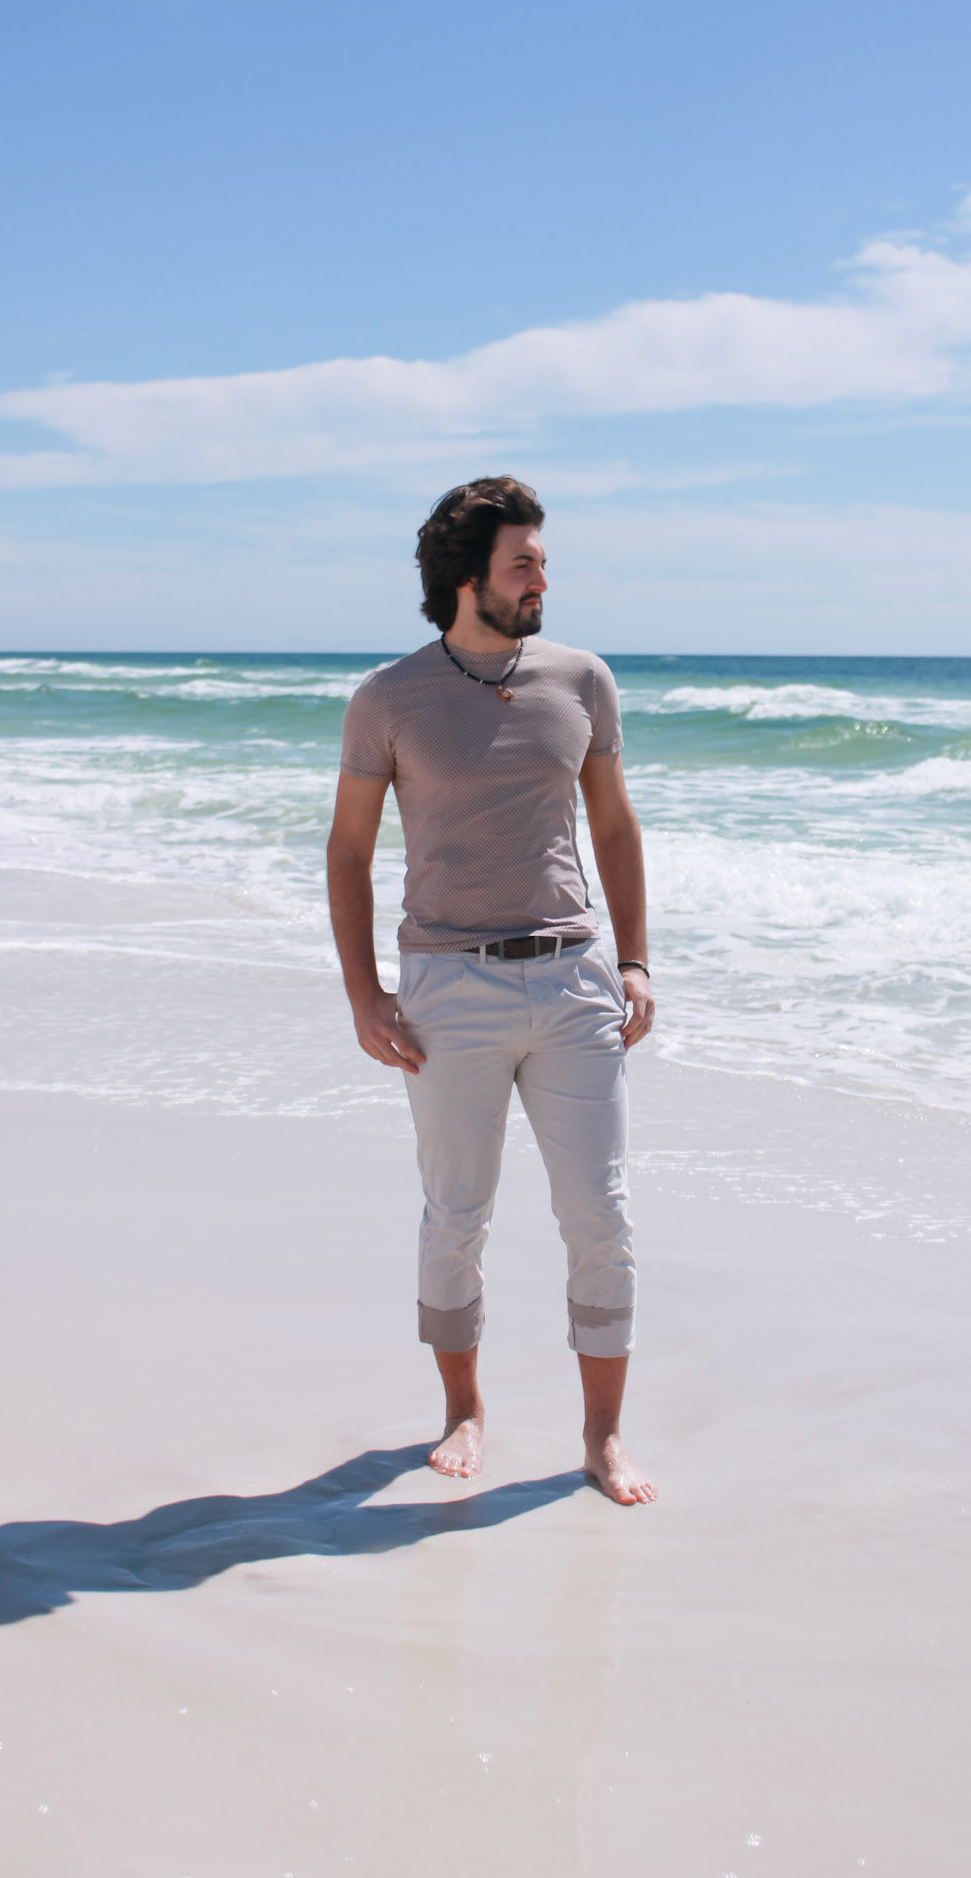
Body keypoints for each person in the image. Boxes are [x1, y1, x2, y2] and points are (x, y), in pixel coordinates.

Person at [326, 476, 657, 1507]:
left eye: (542, 561)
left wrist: (636, 961)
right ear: (469, 578)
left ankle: (603, 1436)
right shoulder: (388, 698)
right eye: (524, 563)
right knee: (455, 1214)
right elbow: (348, 851)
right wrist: (364, 994)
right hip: (446, 988)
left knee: (600, 1216)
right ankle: (463, 1409)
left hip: (573, 979)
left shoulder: (583, 679)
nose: (541, 579)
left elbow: (613, 825)